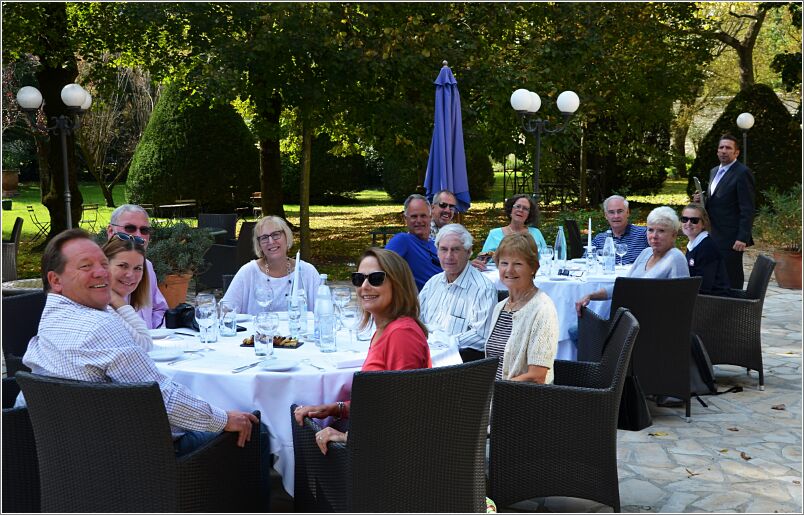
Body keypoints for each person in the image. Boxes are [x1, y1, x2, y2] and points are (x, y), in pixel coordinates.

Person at [16, 229, 265, 460]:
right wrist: (222, 419)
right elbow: (161, 397)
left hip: (64, 452)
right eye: (86, 266)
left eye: (104, 264)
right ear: (56, 281)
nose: (102, 272)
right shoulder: (101, 327)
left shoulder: (51, 318)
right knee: (257, 432)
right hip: (135, 460)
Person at [293, 248, 431, 453]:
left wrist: (347, 437)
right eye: (358, 279)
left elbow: (404, 411)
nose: (364, 286)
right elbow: (380, 401)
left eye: (376, 279)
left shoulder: (402, 334)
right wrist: (337, 408)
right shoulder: (385, 330)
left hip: (386, 458)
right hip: (374, 443)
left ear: (398, 284)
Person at [576, 206, 690, 315]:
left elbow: (680, 303)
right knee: (575, 327)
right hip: (628, 320)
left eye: (661, 231)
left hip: (650, 326)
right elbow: (623, 286)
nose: (654, 236)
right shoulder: (646, 253)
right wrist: (591, 295)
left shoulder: (675, 258)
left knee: (577, 331)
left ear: (674, 235)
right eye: (650, 230)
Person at [485, 233, 559, 382]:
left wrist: (495, 389)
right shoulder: (500, 307)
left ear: (533, 267)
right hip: (493, 397)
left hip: (522, 400)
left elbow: (537, 376)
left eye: (518, 264)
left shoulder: (542, 309)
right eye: (504, 263)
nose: (509, 270)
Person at [419, 224, 497, 363]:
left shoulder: (482, 289)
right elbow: (416, 317)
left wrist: (446, 342)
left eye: (455, 250)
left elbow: (482, 336)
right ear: (437, 252)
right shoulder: (432, 283)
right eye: (443, 249)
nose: (449, 256)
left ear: (468, 252)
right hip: (422, 354)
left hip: (457, 367)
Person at [222, 216, 320, 314]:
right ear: (259, 245)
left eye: (276, 235)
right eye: (264, 238)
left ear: (287, 237)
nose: (271, 241)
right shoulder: (248, 272)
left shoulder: (308, 272)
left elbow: (323, 311)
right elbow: (226, 310)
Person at [695, 134, 755, 289]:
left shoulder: (742, 173)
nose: (724, 151)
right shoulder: (714, 171)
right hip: (713, 232)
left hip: (731, 237)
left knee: (732, 275)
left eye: (728, 148)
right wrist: (701, 201)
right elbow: (716, 200)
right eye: (721, 147)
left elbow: (747, 208)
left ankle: (736, 307)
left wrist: (742, 237)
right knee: (717, 274)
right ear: (717, 151)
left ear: (736, 153)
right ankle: (718, 304)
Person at [105, 204, 169, 329]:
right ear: (111, 231)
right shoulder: (94, 273)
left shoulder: (147, 266)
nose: (138, 235)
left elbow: (159, 309)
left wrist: (154, 333)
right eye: (130, 228)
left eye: (144, 230)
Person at [101, 232, 153, 351]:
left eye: (137, 268)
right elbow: (144, 345)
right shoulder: (101, 308)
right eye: (123, 266)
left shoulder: (112, 304)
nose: (130, 275)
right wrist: (118, 301)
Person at [472, 194, 547, 270]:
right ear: (511, 209)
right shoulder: (494, 234)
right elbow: (483, 261)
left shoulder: (536, 233)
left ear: (529, 214)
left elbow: (546, 258)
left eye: (525, 209)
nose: (520, 210)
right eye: (517, 206)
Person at [385, 194, 442, 291]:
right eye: (414, 216)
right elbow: (379, 267)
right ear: (405, 219)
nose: (419, 220)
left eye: (423, 216)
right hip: (426, 301)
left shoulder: (435, 244)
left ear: (430, 217)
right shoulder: (403, 241)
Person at [681, 204, 731, 296]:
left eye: (694, 220)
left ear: (703, 224)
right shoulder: (694, 244)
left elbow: (704, 286)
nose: (688, 223)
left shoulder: (707, 247)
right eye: (684, 219)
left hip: (712, 302)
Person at [591, 195, 649, 265]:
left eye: (620, 211)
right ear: (606, 215)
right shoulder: (599, 239)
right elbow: (584, 263)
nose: (616, 216)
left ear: (627, 213)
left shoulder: (644, 234)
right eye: (611, 212)